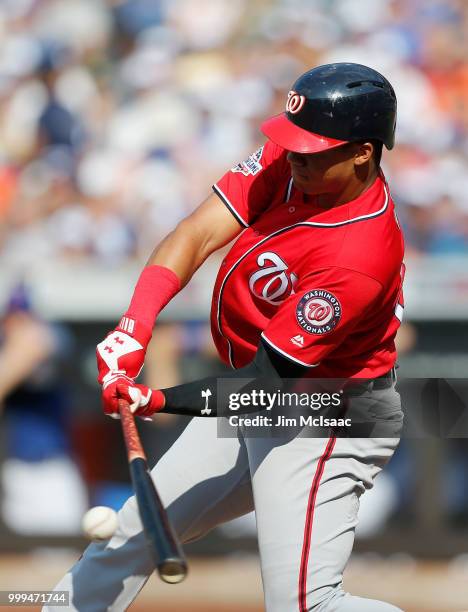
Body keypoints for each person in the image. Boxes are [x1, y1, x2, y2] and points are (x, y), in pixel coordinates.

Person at [46, 63, 405, 612]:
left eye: (314, 148)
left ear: (362, 151)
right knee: (127, 539)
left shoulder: (359, 255)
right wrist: (132, 329)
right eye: (293, 141)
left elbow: (268, 383)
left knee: (305, 605)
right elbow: (195, 235)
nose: (295, 156)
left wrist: (158, 399)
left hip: (325, 415)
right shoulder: (292, 164)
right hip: (261, 401)